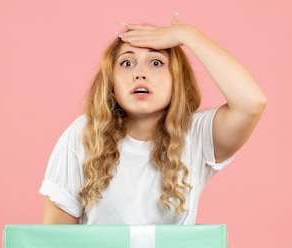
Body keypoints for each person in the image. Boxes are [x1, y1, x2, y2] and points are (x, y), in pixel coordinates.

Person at [40, 14, 266, 224]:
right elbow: (57, 242)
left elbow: (252, 103)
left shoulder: (196, 135)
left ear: (176, 79)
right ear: (111, 82)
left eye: (156, 63)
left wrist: (187, 34)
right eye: (127, 63)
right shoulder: (84, 134)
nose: (140, 73)